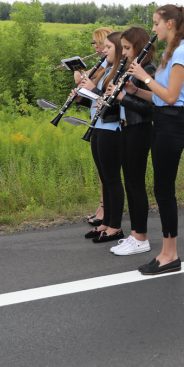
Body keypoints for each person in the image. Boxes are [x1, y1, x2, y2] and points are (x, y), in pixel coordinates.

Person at [126, 5, 184, 274]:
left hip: (172, 125)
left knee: (165, 192)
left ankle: (171, 255)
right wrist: (136, 89)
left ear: (170, 23)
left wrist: (145, 77)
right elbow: (159, 97)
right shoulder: (171, 53)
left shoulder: (181, 52)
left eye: (156, 23)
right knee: (161, 190)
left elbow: (171, 97)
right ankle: (166, 252)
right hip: (162, 120)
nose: (154, 28)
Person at [76, 31, 129, 244]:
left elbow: (115, 101)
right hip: (98, 125)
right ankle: (106, 223)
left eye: (107, 47)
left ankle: (115, 227)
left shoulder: (122, 71)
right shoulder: (107, 68)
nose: (103, 50)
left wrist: (94, 91)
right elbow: (98, 99)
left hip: (111, 127)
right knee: (105, 178)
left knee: (113, 179)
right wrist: (83, 94)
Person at [110, 26, 157, 257]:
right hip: (126, 128)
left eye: (127, 48)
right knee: (129, 182)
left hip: (140, 129)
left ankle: (142, 238)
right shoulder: (131, 69)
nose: (124, 52)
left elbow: (150, 108)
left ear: (139, 47)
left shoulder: (147, 69)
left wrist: (122, 97)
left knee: (136, 184)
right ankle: (135, 234)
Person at [82, 26, 114, 227]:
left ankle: (107, 211)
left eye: (97, 43)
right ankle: (103, 207)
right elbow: (93, 97)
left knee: (108, 174)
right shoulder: (103, 65)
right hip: (97, 120)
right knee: (102, 171)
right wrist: (80, 96)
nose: (94, 47)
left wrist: (91, 88)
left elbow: (106, 97)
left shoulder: (113, 67)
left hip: (107, 124)